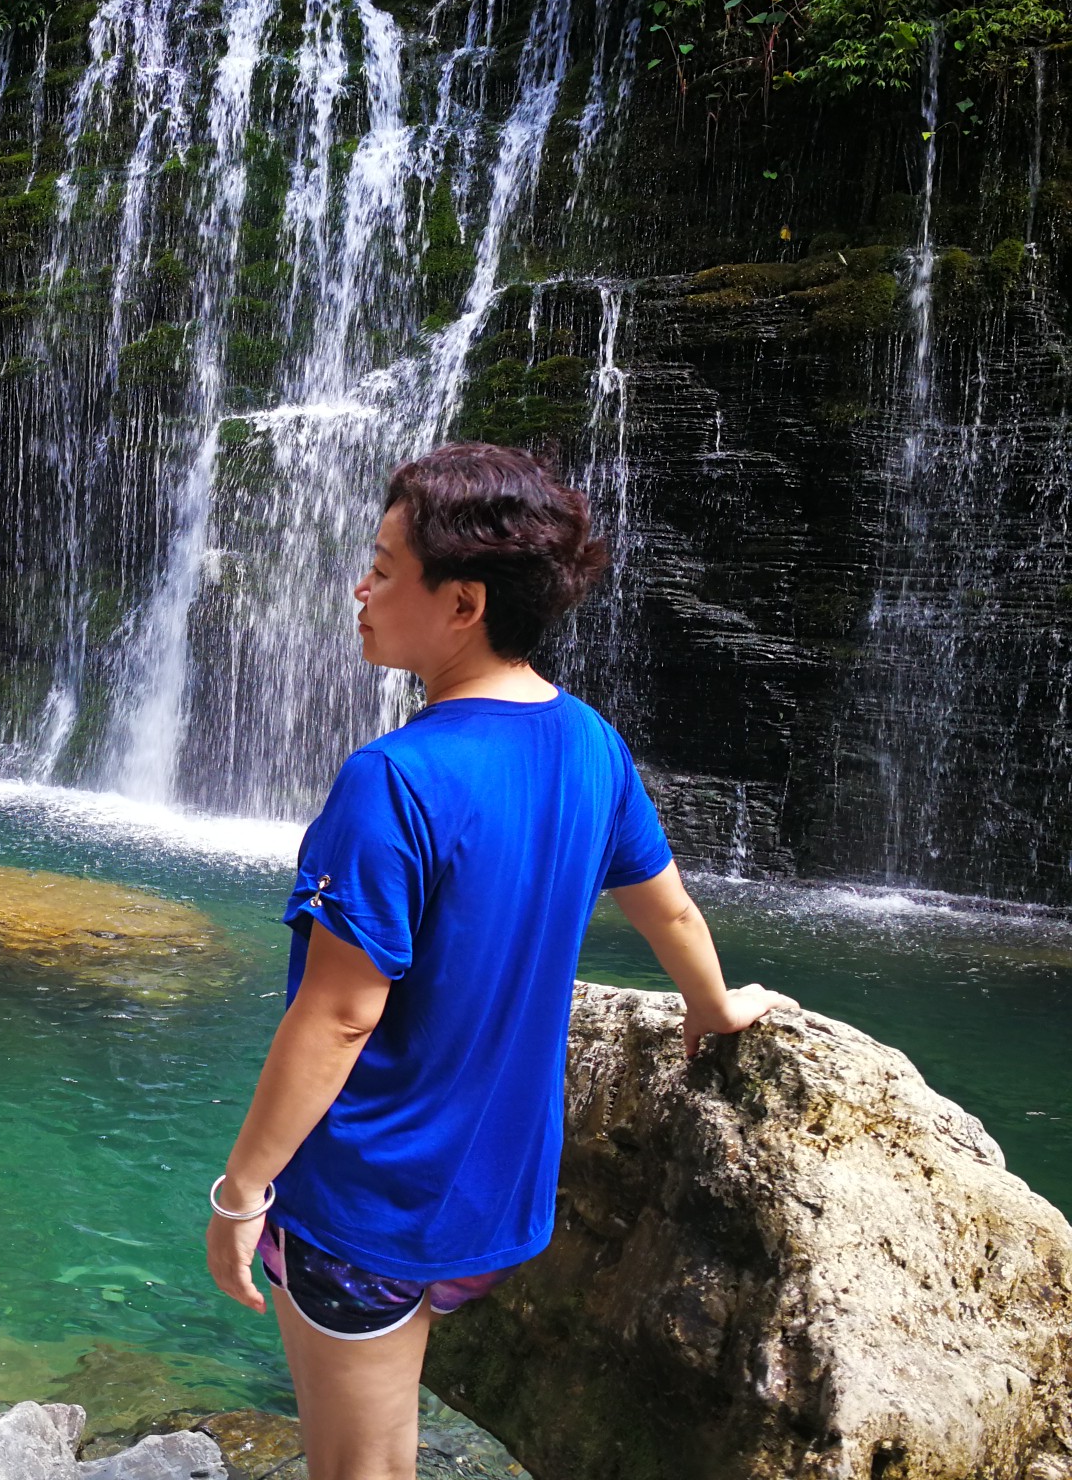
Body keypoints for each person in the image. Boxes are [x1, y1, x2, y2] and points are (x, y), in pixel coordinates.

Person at [204, 442, 796, 1480]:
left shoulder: (392, 780)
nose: (361, 587)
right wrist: (712, 1005)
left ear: (464, 602)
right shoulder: (590, 743)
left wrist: (242, 1191)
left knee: (358, 1469)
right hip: (494, 1203)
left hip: (370, 1203)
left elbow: (339, 1018)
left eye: (384, 569)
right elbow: (668, 910)